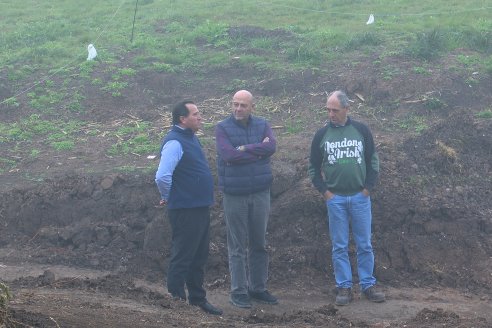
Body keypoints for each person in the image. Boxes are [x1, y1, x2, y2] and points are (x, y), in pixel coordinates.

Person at [308, 90, 385, 306]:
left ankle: (368, 285)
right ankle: (344, 286)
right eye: (328, 110)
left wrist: (367, 189)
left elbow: (373, 161)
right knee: (339, 245)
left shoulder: (361, 130)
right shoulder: (321, 135)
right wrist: (326, 193)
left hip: (360, 197)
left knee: (365, 244)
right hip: (336, 200)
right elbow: (313, 167)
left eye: (335, 110)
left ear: (346, 109)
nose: (330, 114)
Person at [155, 100, 223, 315]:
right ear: (182, 119)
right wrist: (168, 195)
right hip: (185, 209)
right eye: (195, 114)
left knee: (199, 255)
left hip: (199, 207)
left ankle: (197, 299)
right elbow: (162, 175)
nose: (200, 117)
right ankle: (176, 302)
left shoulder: (191, 138)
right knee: (183, 255)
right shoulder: (174, 142)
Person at [215, 90, 278, 308]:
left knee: (259, 243)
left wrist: (245, 148)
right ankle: (238, 291)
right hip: (235, 195)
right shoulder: (222, 128)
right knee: (237, 246)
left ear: (252, 107)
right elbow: (229, 155)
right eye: (235, 104)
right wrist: (258, 152)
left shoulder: (262, 124)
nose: (238, 109)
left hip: (260, 192)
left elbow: (271, 147)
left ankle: (258, 288)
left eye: (243, 105)